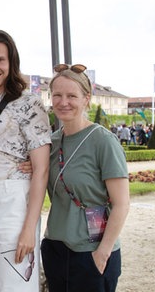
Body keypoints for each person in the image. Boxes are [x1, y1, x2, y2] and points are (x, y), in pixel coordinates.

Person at [0, 29, 51, 291]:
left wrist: (28, 228)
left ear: (11, 62)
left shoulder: (29, 103)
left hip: (14, 201)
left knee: (17, 285)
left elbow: (42, 170)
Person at [41, 63, 130, 292]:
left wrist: (103, 252)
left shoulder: (103, 141)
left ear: (86, 99)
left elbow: (121, 204)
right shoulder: (51, 142)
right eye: (57, 95)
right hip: (55, 247)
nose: (63, 102)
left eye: (72, 95)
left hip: (92, 252)